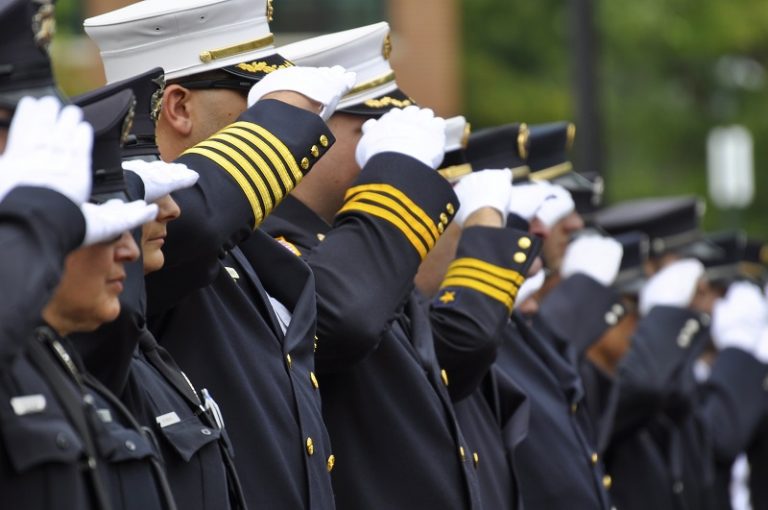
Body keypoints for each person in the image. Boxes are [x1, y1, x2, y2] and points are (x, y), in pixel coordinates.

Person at [85, 1, 355, 507]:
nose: (261, 114)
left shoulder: (243, 238)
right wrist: (283, 119)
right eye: (252, 98)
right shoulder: (148, 236)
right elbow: (199, 220)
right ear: (179, 107)